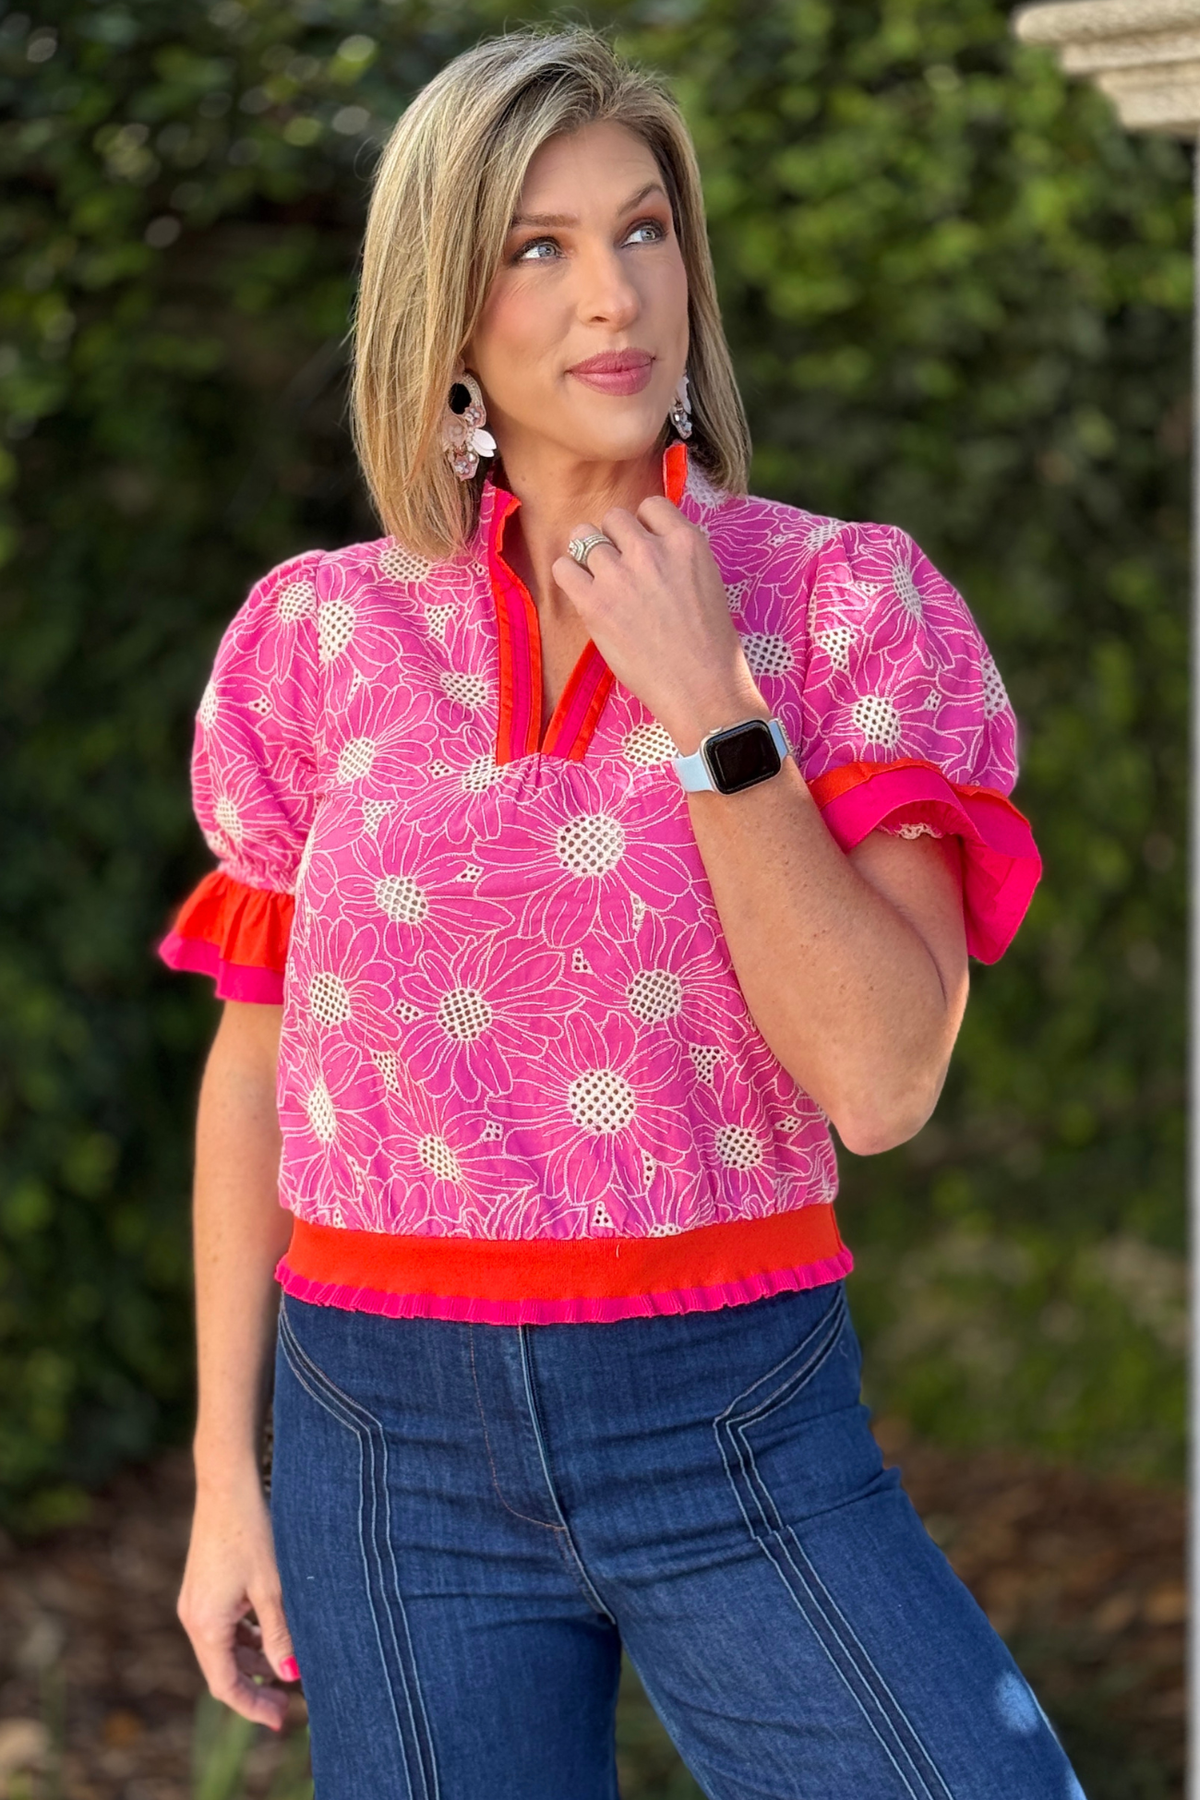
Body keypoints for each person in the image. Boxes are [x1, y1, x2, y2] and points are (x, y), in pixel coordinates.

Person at [161, 26, 1084, 1800]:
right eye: (542, 246)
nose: (616, 296)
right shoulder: (317, 636)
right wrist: (224, 1475)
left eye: (644, 229)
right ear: (445, 312)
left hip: (729, 1416)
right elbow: (260, 1062)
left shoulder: (838, 604)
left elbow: (884, 1082)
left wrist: (718, 716)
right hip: (384, 1446)